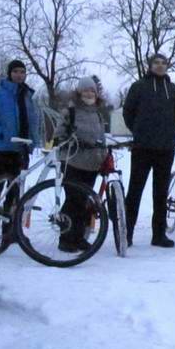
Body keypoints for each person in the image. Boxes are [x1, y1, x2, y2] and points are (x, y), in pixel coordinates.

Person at [123, 53, 175, 248]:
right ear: (150, 66)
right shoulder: (139, 87)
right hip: (142, 147)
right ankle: (126, 233)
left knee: (161, 193)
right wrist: (139, 131)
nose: (160, 66)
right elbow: (128, 113)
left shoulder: (173, 89)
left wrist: (170, 132)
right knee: (135, 192)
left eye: (163, 63)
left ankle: (159, 235)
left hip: (165, 149)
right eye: (156, 63)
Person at [0, 59, 41, 242]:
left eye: (22, 72)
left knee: (15, 193)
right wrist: (1, 132)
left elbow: (33, 121)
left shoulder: (28, 95)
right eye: (16, 72)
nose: (19, 75)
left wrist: (34, 141)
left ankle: (10, 231)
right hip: (2, 149)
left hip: (21, 150)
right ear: (9, 73)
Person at [53, 77, 108, 252]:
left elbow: (102, 137)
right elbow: (59, 134)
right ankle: (66, 239)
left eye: (92, 90)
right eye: (85, 90)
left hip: (92, 163)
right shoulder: (71, 111)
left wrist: (104, 153)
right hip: (73, 161)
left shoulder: (98, 113)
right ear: (79, 92)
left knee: (84, 201)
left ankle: (79, 237)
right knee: (73, 200)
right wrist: (69, 141)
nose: (89, 93)